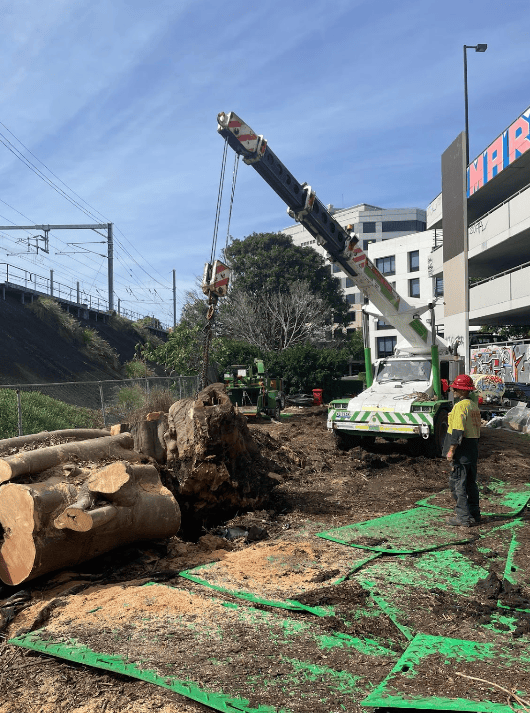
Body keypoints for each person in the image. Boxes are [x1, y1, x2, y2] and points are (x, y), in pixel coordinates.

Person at [443, 374, 482, 527]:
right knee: (471, 484)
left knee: (458, 484)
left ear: (462, 390)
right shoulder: (473, 406)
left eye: (456, 388)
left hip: (461, 451)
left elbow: (458, 431)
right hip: (472, 450)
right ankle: (475, 514)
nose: (453, 390)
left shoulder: (460, 406)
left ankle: (462, 518)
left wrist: (451, 450)